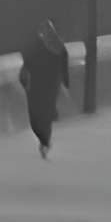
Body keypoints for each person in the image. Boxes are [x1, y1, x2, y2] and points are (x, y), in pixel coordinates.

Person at [21, 23, 70, 158]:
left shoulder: (50, 45)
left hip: (45, 80)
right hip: (42, 80)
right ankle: (44, 140)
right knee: (42, 110)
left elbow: (62, 56)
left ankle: (45, 140)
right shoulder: (38, 46)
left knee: (43, 109)